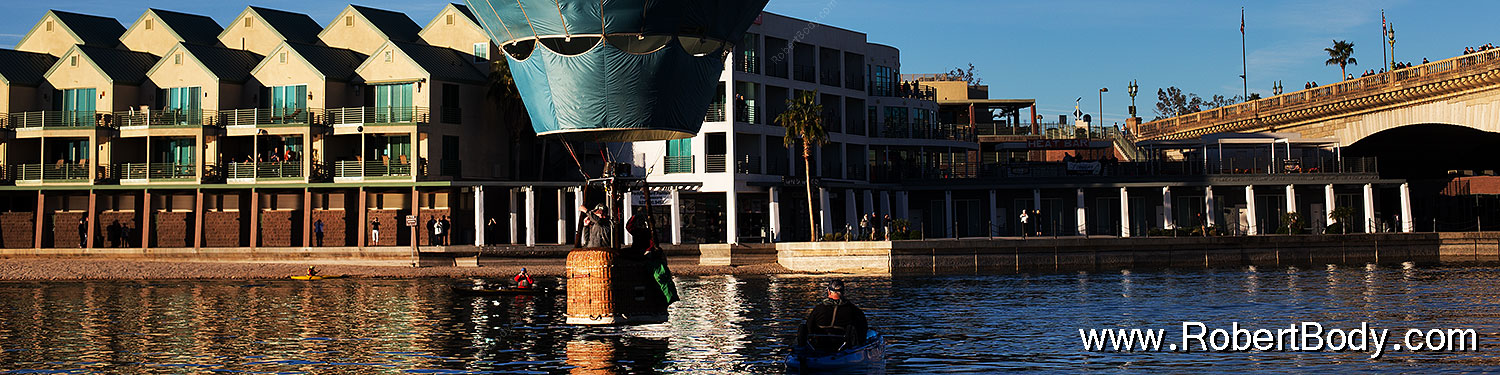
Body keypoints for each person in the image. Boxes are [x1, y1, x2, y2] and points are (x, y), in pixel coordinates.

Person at [797, 280, 868, 353]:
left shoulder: (818, 308)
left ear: (829, 292)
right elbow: (863, 329)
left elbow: (809, 325)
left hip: (819, 343)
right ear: (843, 292)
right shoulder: (853, 310)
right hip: (840, 345)